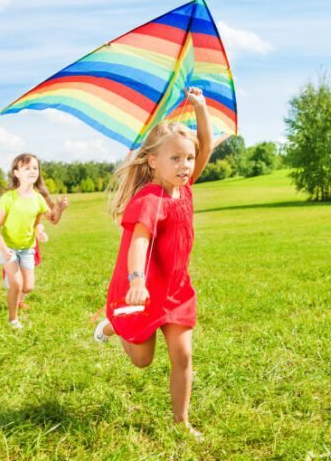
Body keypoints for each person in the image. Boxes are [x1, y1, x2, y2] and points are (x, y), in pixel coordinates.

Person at [94, 87, 214, 438]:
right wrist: (135, 281)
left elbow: (205, 146)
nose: (185, 165)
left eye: (188, 158)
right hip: (142, 291)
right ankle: (115, 323)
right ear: (153, 161)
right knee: (143, 360)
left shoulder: (185, 186)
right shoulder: (150, 199)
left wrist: (201, 109)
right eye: (175, 159)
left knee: (183, 356)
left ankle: (182, 422)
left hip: (176, 291)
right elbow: (139, 240)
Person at [0, 153, 68, 330]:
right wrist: (3, 248)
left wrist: (60, 209)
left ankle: (12, 281)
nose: (32, 171)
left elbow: (53, 220)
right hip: (9, 247)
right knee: (17, 285)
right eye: (27, 168)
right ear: (16, 173)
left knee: (28, 287)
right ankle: (13, 320)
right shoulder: (8, 198)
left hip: (27, 249)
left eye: (35, 168)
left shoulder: (38, 198)